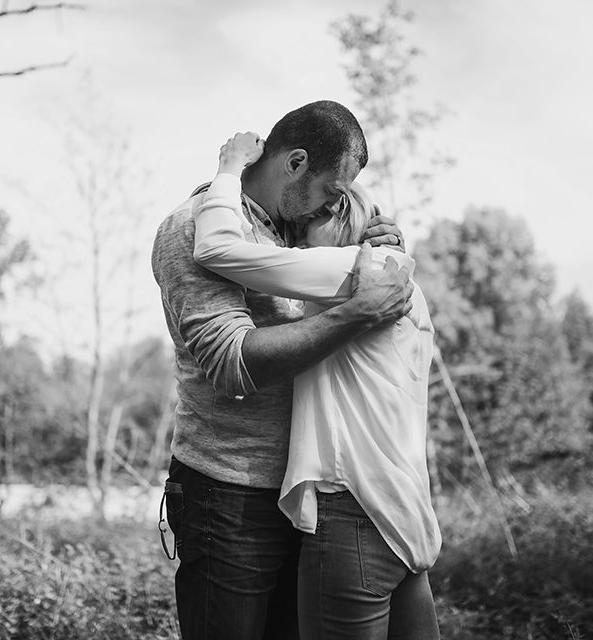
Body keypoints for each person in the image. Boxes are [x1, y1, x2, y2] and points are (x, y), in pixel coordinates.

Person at [151, 100, 413, 640]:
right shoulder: (190, 229)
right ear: (295, 163)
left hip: (312, 494)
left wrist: (371, 251)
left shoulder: (294, 232)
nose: (333, 205)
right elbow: (231, 362)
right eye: (331, 192)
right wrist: (358, 310)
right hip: (231, 497)